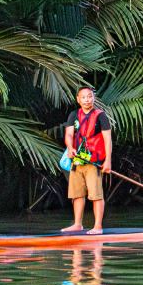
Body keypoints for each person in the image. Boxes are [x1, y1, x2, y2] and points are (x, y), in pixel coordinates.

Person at [63, 86, 113, 233]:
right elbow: (69, 135)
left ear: (93, 98)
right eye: (83, 97)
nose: (87, 100)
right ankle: (77, 224)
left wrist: (108, 161)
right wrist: (70, 147)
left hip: (94, 161)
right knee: (77, 194)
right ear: (78, 99)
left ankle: (98, 226)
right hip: (77, 161)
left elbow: (107, 139)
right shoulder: (73, 115)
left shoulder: (100, 116)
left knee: (96, 194)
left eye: (89, 96)